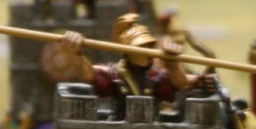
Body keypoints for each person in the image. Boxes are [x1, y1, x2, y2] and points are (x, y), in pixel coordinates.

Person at [39, 12, 210, 107]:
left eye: (150, 45)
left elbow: (179, 83)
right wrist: (75, 53)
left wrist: (173, 64)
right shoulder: (115, 74)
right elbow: (89, 75)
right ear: (127, 51)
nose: (149, 49)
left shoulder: (156, 75)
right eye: (142, 46)